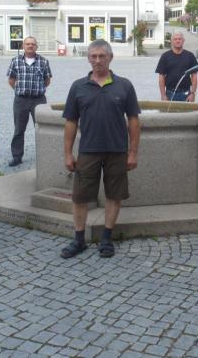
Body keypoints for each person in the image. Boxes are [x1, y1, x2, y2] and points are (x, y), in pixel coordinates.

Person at [60, 39, 141, 258]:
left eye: (102, 56)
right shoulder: (78, 87)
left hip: (117, 151)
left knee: (114, 196)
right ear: (88, 58)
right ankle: (79, 240)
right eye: (93, 56)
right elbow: (70, 122)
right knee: (80, 197)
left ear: (110, 58)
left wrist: (133, 152)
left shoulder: (124, 85)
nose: (97, 61)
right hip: (88, 150)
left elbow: (133, 120)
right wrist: (68, 153)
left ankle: (106, 238)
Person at [6, 36, 52, 167]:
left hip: (39, 100)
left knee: (42, 129)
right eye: (28, 44)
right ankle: (17, 156)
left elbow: (47, 80)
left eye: (33, 44)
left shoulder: (43, 62)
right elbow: (11, 80)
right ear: (23, 46)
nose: (30, 46)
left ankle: (45, 156)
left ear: (36, 46)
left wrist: (37, 89)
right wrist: (20, 90)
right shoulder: (15, 61)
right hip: (21, 100)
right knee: (19, 130)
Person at [155, 31, 198, 102]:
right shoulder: (165, 56)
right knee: (170, 113)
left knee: (187, 113)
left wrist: (193, 93)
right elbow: (161, 77)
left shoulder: (190, 56)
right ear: (171, 41)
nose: (177, 41)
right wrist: (163, 95)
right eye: (175, 39)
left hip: (186, 94)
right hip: (169, 94)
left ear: (183, 41)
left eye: (179, 39)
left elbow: (194, 76)